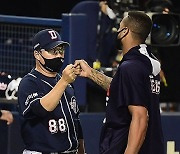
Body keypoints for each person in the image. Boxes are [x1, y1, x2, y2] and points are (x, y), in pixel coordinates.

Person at [75, 11, 165, 154]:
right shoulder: (145, 62)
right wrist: (91, 73)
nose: (117, 31)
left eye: (119, 27)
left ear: (125, 32)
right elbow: (122, 89)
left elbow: (141, 117)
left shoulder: (131, 67)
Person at [18, 29, 85, 154]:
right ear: (37, 54)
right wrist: (64, 81)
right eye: (52, 51)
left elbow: (75, 122)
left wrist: (81, 150)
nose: (59, 55)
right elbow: (41, 109)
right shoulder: (29, 82)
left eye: (61, 51)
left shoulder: (65, 81)